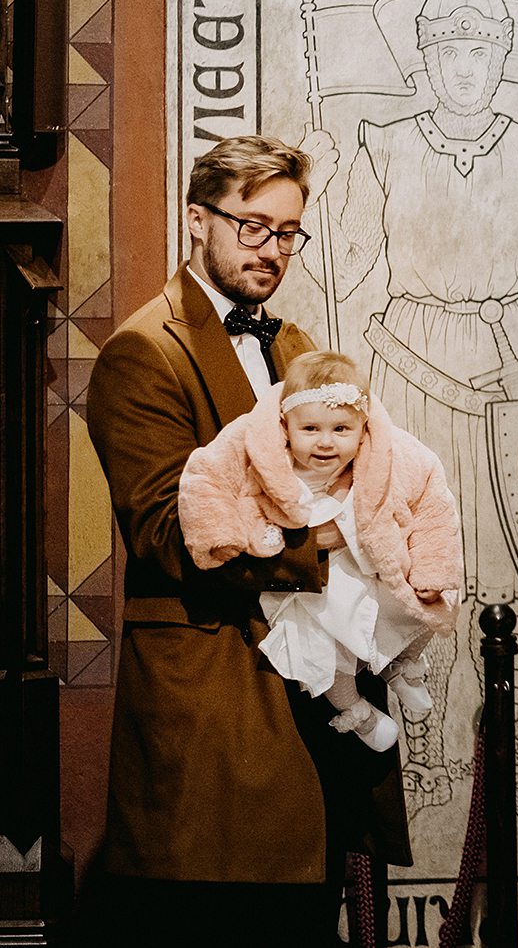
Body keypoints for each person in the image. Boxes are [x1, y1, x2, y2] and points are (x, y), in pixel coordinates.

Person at [81, 135, 408, 946]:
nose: (272, 250)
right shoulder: (143, 352)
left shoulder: (294, 346)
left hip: (315, 714)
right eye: (252, 226)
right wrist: (324, 538)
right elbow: (167, 533)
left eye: (288, 232)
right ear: (198, 219)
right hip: (216, 717)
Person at [303, 0, 518, 836]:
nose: (464, 68)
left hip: (513, 374)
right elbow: (346, 268)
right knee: (413, 571)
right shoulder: (383, 145)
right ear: (426, 58)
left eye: (480, 50)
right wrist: (322, 189)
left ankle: (504, 760)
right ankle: (423, 761)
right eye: (449, 51)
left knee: (516, 574)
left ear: (499, 57)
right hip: (410, 367)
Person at [178, 351, 465, 753]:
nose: (326, 442)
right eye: (310, 428)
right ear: (285, 425)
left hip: (371, 559)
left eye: (341, 429)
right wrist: (219, 532)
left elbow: (433, 505)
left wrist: (432, 570)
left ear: (364, 427)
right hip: (310, 576)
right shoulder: (255, 441)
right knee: (322, 648)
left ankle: (404, 667)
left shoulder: (395, 451)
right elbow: (205, 477)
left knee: (419, 608)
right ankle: (356, 712)